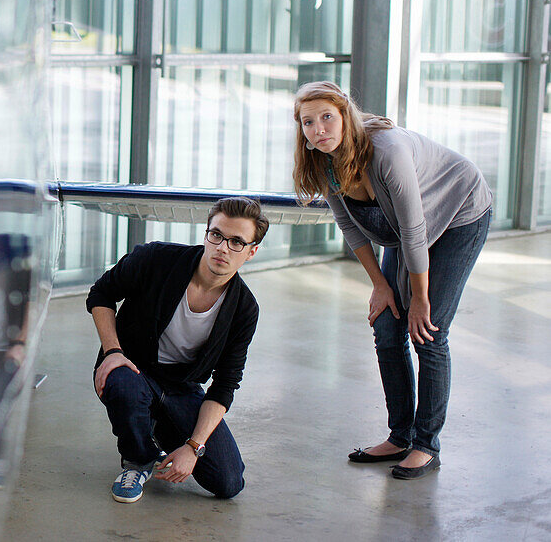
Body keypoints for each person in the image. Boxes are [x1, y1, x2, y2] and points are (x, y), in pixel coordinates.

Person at [292, 81, 492, 480]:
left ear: (346, 116)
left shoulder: (387, 152)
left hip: (457, 213)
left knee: (428, 332)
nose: (319, 129)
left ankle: (425, 445)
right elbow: (351, 227)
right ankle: (400, 436)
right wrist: (380, 285)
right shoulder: (322, 162)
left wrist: (420, 297)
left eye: (327, 117)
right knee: (387, 328)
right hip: (401, 230)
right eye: (308, 122)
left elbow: (416, 230)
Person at [87, 197, 268, 503]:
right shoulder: (156, 258)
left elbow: (225, 385)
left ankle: (157, 426)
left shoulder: (244, 309)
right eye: (217, 235)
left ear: (251, 252)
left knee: (227, 482)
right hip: (131, 367)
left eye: (237, 242)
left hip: (182, 387)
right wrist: (112, 351)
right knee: (126, 387)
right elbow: (101, 294)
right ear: (206, 233)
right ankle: (138, 458)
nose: (223, 248)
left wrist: (194, 446)